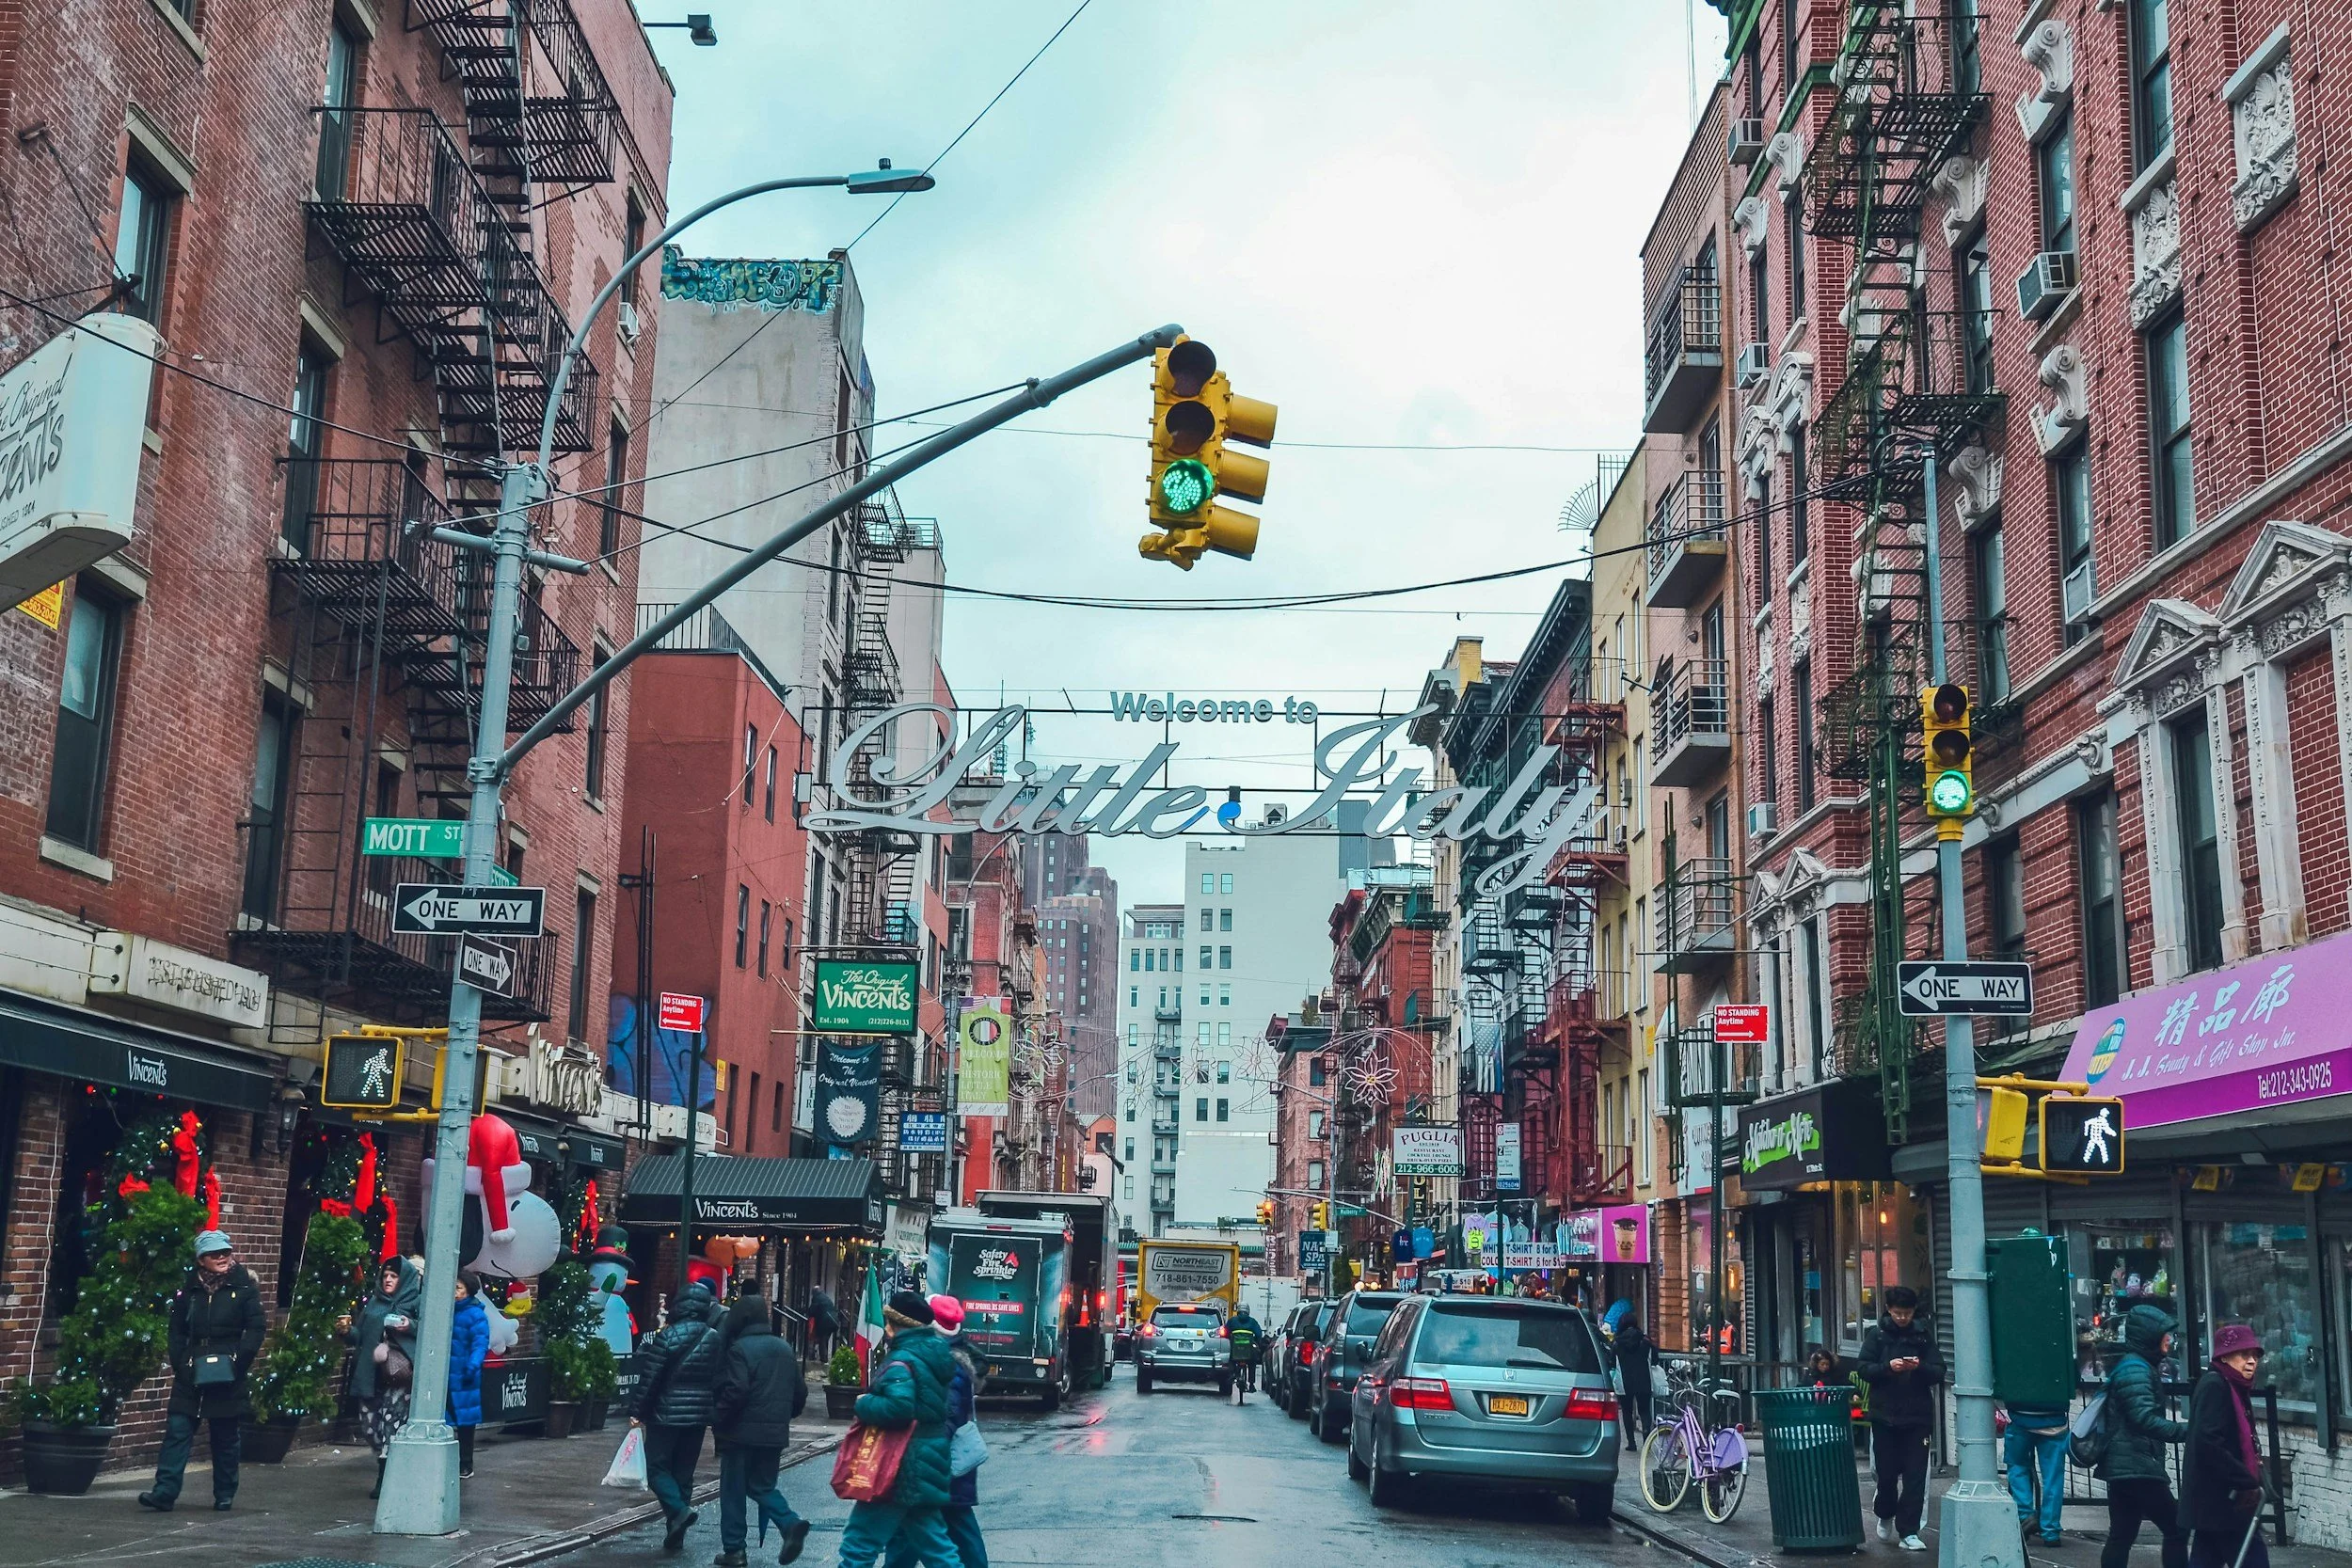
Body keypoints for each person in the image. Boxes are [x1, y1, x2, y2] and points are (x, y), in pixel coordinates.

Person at [139, 1230, 267, 1512]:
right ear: (201, 1260)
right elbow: (176, 1330)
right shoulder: (190, 1290)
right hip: (191, 1371)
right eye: (214, 1254)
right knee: (177, 1430)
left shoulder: (244, 1288)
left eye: (226, 1252)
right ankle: (164, 1492)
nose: (222, 1258)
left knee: (225, 1436)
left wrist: (238, 1362)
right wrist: (180, 1361)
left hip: (227, 1372)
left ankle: (224, 1493)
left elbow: (256, 1329)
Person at [840, 1291, 963, 1568]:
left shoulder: (904, 1359)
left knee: (859, 1542)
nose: (885, 1328)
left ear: (901, 1325)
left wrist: (864, 1403)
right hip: (926, 1460)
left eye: (889, 1322)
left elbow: (899, 1408)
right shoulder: (934, 1355)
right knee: (937, 1548)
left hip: (896, 1465)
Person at [710, 1291, 811, 1567]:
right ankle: (789, 1523)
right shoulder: (784, 1348)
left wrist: (717, 1416)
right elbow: (799, 1393)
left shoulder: (739, 1349)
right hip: (774, 1433)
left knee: (733, 1491)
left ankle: (735, 1550)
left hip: (739, 1433)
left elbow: (736, 1390)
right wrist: (783, 1416)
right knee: (762, 1486)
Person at [886, 1295, 989, 1568]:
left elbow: (947, 1417)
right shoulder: (950, 1357)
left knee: (924, 1532)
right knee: (945, 1530)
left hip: (938, 1465)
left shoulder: (946, 1364)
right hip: (941, 1467)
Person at [632, 1279, 723, 1552]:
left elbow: (651, 1378)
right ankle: (676, 1531)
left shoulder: (667, 1336)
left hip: (665, 1414)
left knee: (655, 1467)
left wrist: (637, 1411)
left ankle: (678, 1512)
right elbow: (718, 1377)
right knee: (684, 1474)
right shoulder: (713, 1337)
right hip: (697, 1416)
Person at [2101, 1304, 2190, 1568]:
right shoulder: (2135, 1369)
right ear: (2149, 1335)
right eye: (2164, 1333)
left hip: (2125, 1466)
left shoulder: (2135, 1365)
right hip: (2136, 1466)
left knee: (2121, 1536)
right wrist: (2186, 1432)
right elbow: (2143, 1419)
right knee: (2177, 1528)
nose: (2169, 1339)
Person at [1858, 1285, 1945, 1550]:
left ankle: (1909, 1531)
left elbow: (1938, 1370)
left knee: (1916, 1475)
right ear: (1889, 1310)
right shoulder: (1878, 1336)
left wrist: (1918, 1368)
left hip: (1917, 1416)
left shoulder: (1923, 1337)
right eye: (1898, 1313)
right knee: (1885, 1474)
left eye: (1906, 1313)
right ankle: (1885, 1512)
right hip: (1885, 1415)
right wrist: (1888, 1367)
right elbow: (1864, 1368)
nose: (1902, 1318)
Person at [2182, 1324, 2267, 1568]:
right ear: (2225, 1357)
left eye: (2255, 1356)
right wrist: (2244, 1480)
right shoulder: (2216, 1386)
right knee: (2254, 1561)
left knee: (2206, 1558)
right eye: (2244, 1355)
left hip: (2219, 1506)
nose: (2251, 1362)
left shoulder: (2234, 1386)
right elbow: (2208, 1442)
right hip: (2224, 1501)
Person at [342, 1256, 421, 1501]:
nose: (388, 1280)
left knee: (391, 1425)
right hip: (372, 1373)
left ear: (404, 1278)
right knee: (369, 1426)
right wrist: (346, 1331)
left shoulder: (416, 1302)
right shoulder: (375, 1303)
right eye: (385, 1275)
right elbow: (361, 1337)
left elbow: (428, 1330)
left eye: (394, 1276)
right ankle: (385, 1461)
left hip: (398, 1375)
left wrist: (409, 1326)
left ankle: (384, 1478)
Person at [2005, 1390, 2073, 1545]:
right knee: (2053, 1477)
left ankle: (2025, 1516)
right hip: (2055, 1418)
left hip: (2020, 1415)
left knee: (2017, 1466)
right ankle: (2051, 1531)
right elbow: (2072, 1383)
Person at [448, 1270, 490, 1481]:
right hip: (447, 1375)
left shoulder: (475, 1314)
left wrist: (472, 1366)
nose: (455, 1292)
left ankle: (466, 1463)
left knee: (465, 1423)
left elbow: (480, 1344)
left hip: (464, 1375)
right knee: (447, 1420)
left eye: (459, 1288)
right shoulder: (447, 1311)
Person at [1613, 1311, 1657, 1453]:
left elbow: (1611, 1361)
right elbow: (1655, 1360)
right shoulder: (1645, 1340)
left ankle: (1631, 1443)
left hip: (1624, 1381)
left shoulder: (1617, 1342)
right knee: (1645, 1411)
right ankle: (1646, 1441)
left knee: (1627, 1411)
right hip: (1644, 1379)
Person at [1224, 1304, 1263, 1391]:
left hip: (1235, 1351)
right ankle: (1251, 1384)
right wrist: (1257, 1342)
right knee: (1252, 1363)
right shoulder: (1252, 1322)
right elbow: (1259, 1334)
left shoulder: (1232, 1321)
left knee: (1231, 1358)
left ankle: (1232, 1374)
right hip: (1248, 1351)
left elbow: (1225, 1332)